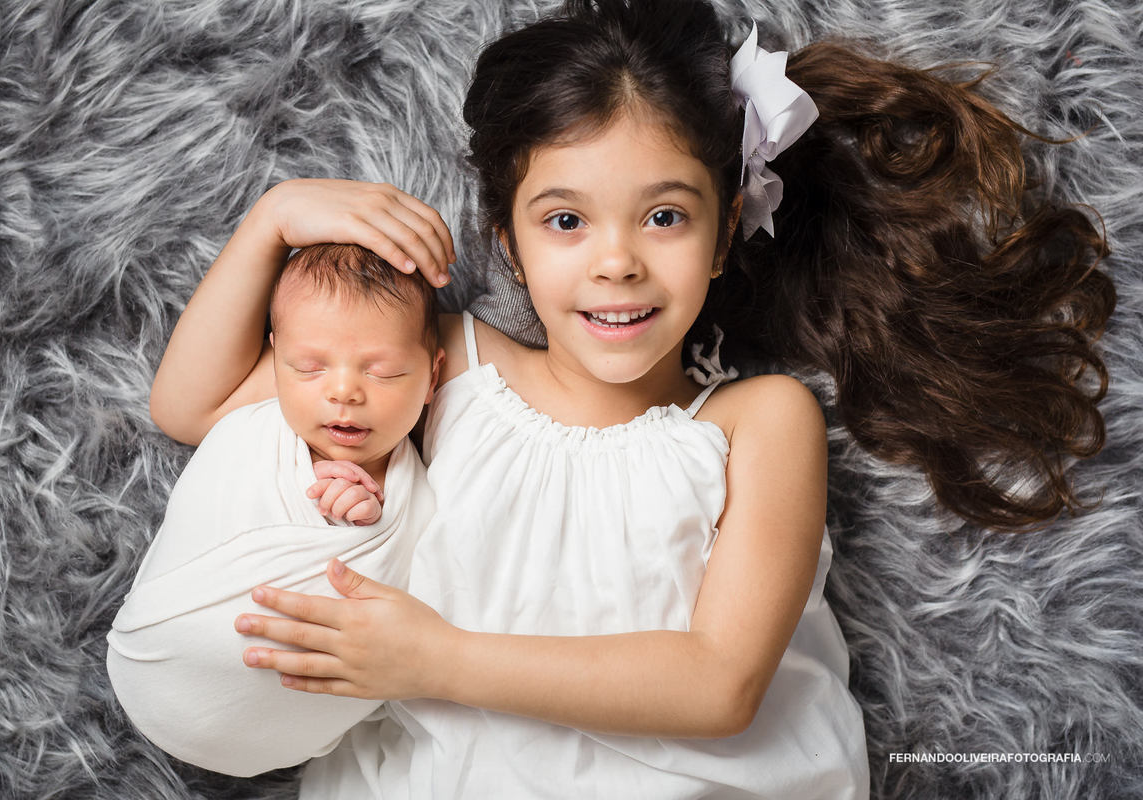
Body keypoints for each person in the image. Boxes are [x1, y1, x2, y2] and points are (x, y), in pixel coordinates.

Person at [144, 0, 1114, 796]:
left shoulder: (759, 420)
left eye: (663, 215)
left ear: (728, 228)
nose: (616, 261)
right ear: (506, 238)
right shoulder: (441, 369)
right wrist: (273, 221)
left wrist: (431, 659)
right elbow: (191, 406)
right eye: (566, 219)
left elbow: (720, 681)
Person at [106, 244, 443, 777]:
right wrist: (308, 484)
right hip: (162, 661)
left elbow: (425, 595)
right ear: (275, 359)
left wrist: (365, 516)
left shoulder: (427, 490)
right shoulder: (253, 432)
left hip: (292, 732)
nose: (344, 392)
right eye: (309, 367)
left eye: (383, 373)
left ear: (432, 375)